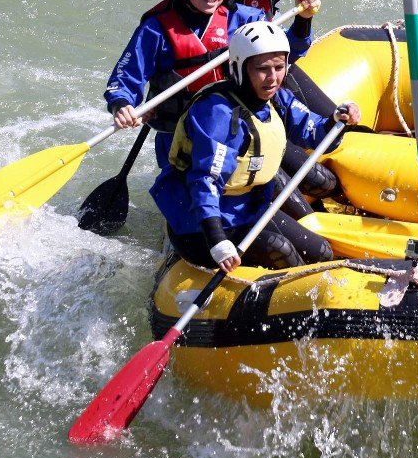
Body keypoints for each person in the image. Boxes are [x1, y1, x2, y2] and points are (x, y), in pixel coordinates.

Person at [150, 22, 361, 272]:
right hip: (199, 226)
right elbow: (205, 182)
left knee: (321, 252)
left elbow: (312, 132)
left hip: (247, 212)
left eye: (279, 67)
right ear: (239, 68)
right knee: (279, 248)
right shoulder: (218, 114)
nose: (272, 78)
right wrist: (217, 241)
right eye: (262, 69)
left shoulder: (276, 98)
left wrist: (337, 120)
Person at [103, 0, 319, 167]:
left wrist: (304, 19)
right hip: (182, 134)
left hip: (239, 122)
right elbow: (126, 77)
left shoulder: (244, 19)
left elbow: (287, 50)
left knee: (315, 178)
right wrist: (122, 105)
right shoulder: (156, 29)